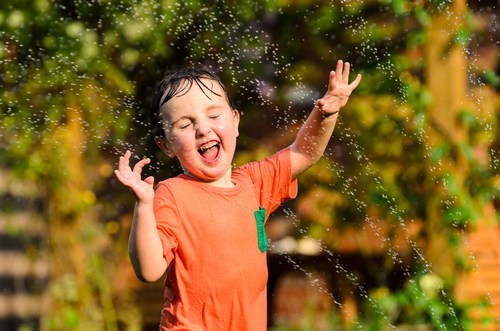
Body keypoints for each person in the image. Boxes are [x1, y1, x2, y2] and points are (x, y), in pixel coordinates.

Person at [114, 60, 361, 331]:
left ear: (235, 121)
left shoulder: (254, 184)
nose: (203, 129)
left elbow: (304, 152)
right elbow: (148, 270)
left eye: (213, 115)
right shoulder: (172, 194)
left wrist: (326, 114)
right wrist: (144, 205)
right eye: (185, 125)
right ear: (166, 144)